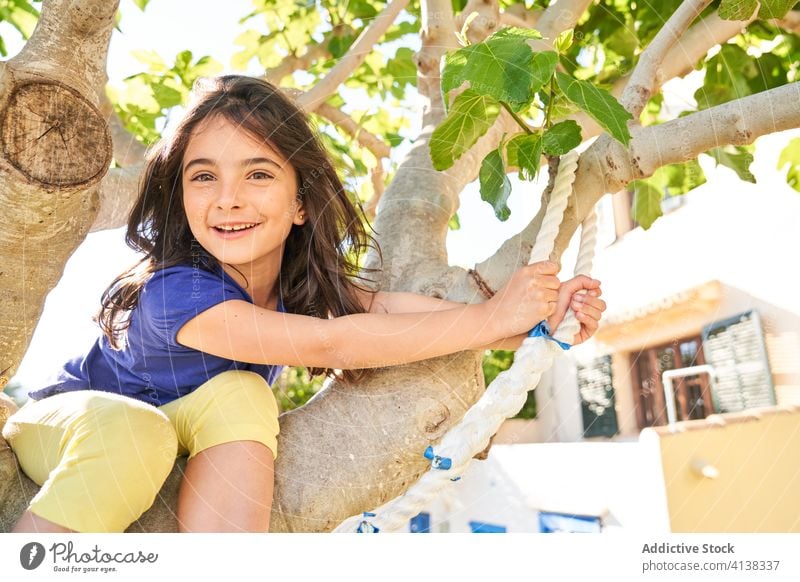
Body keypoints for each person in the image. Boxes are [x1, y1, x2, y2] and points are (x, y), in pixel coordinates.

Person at [2, 75, 606, 534]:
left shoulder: (298, 291)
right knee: (136, 429)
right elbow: (330, 342)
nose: (228, 199)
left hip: (178, 433)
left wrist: (526, 324)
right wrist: (489, 318)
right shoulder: (176, 292)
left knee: (244, 394)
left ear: (301, 202)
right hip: (75, 426)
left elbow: (387, 314)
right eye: (203, 176)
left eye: (258, 174)